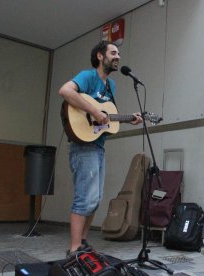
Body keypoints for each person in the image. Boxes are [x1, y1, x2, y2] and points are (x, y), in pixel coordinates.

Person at [58, 41, 142, 256]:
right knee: (85, 198)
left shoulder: (110, 87)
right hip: (82, 147)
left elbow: (106, 120)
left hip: (97, 147)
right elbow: (65, 91)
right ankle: (74, 248)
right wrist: (94, 111)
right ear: (99, 56)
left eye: (119, 53)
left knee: (95, 200)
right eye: (113, 53)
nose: (118, 57)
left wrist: (127, 119)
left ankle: (83, 241)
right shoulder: (88, 76)